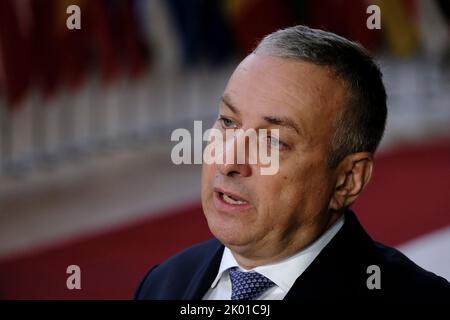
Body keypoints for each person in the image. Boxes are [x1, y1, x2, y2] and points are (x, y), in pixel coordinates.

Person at [135, 25, 450, 300]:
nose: (229, 160)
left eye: (273, 141)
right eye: (229, 122)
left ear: (348, 179)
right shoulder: (163, 283)